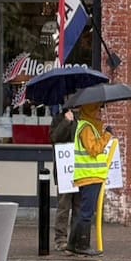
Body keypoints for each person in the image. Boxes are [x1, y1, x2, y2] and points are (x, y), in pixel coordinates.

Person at [67, 102, 114, 256]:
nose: (100, 112)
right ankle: (83, 245)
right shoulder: (86, 127)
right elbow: (94, 149)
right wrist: (107, 136)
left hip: (90, 176)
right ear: (90, 110)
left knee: (83, 211)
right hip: (90, 176)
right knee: (87, 213)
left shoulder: (89, 126)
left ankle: (72, 244)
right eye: (97, 109)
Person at [50, 105, 79, 251]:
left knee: (79, 207)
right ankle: (61, 239)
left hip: (81, 169)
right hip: (65, 169)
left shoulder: (84, 119)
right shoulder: (58, 118)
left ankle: (76, 239)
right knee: (64, 206)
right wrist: (66, 122)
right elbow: (55, 138)